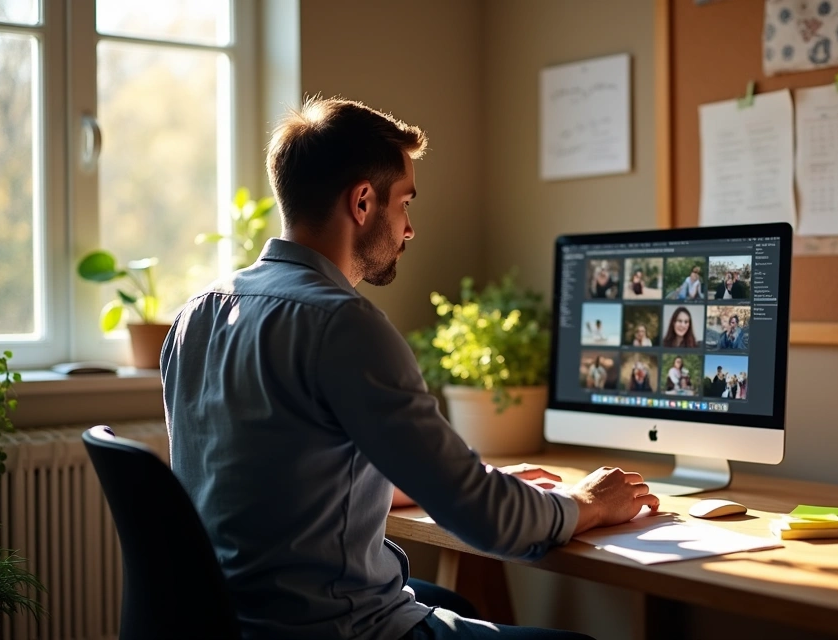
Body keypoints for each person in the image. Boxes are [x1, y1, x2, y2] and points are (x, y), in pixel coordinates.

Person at [161, 97, 658, 640]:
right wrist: (582, 503)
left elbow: (275, 478)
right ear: (363, 202)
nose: (410, 228)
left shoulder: (197, 313)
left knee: (452, 599)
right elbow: (486, 522)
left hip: (237, 621)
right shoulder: (343, 325)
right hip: (341, 629)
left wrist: (447, 483)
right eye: (405, 203)